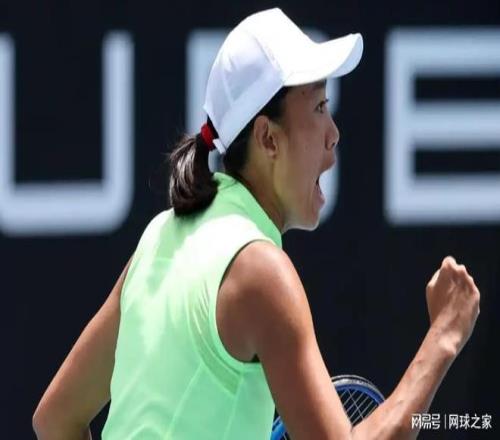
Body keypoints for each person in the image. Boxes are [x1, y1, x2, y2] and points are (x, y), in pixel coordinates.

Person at [33, 8, 480, 440]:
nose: (334, 133)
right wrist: (444, 336)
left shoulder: (159, 237)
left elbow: (54, 420)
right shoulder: (261, 273)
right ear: (268, 138)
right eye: (319, 106)